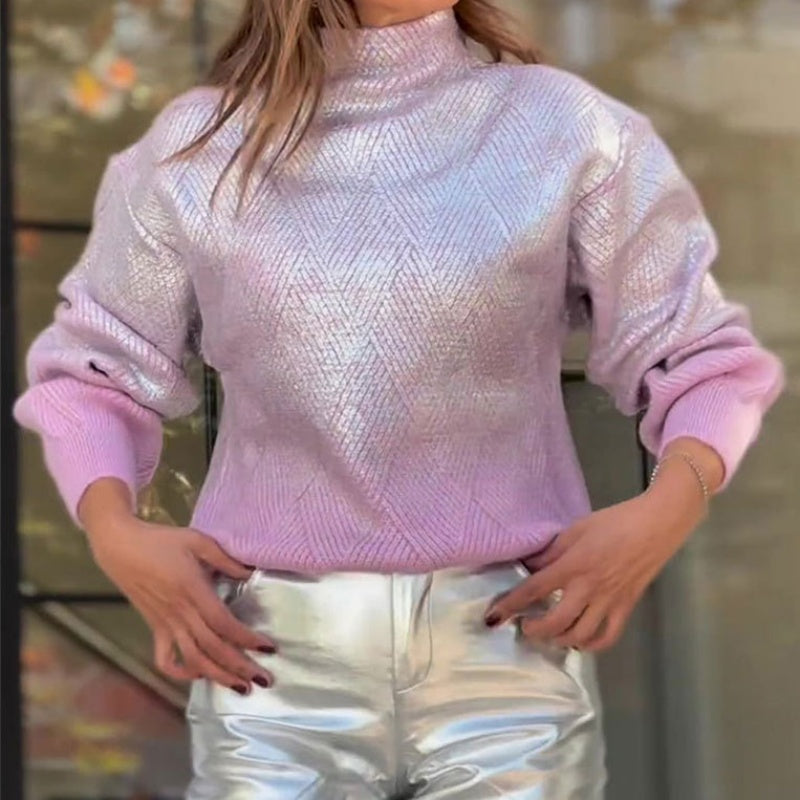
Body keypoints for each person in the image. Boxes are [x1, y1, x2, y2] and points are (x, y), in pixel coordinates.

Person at [13, 1, 786, 798]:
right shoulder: (199, 146)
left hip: (508, 657)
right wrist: (114, 532)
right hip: (269, 664)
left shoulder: (568, 129)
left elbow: (703, 357)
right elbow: (92, 376)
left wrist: (668, 510)